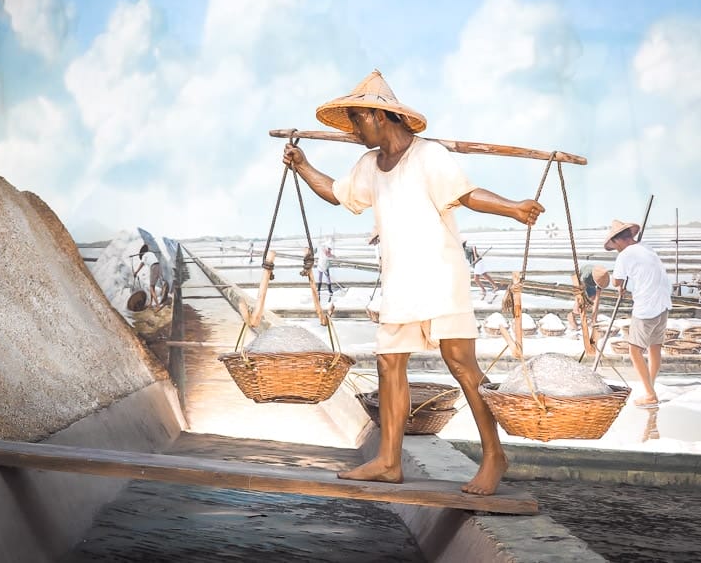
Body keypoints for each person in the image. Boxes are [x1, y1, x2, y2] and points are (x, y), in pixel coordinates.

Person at [282, 70, 544, 495]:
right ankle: (388, 461)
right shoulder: (371, 165)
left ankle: (495, 455)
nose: (353, 129)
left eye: (357, 120)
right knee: (388, 363)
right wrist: (302, 165)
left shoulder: (429, 155)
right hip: (400, 280)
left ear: (378, 116)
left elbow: (466, 194)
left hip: (440, 276)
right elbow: (336, 192)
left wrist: (513, 208)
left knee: (461, 364)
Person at [604, 219, 672, 407]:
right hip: (663, 303)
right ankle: (650, 387)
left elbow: (616, 282)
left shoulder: (624, 255)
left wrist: (620, 285)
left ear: (618, 240)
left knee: (634, 350)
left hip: (647, 308)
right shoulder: (646, 248)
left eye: (614, 244)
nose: (615, 248)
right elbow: (645, 274)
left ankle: (650, 395)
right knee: (654, 347)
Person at [566, 264, 610, 331]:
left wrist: (594, 319)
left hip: (591, 281)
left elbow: (597, 299)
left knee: (592, 299)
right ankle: (571, 316)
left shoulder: (601, 278)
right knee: (580, 303)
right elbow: (579, 291)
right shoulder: (586, 276)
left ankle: (592, 319)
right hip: (579, 280)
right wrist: (580, 302)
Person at [134, 244, 164, 309]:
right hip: (158, 266)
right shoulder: (151, 253)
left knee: (151, 288)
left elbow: (141, 264)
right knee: (152, 287)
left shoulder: (144, 255)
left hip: (153, 267)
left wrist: (136, 272)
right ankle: (151, 303)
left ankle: (158, 305)